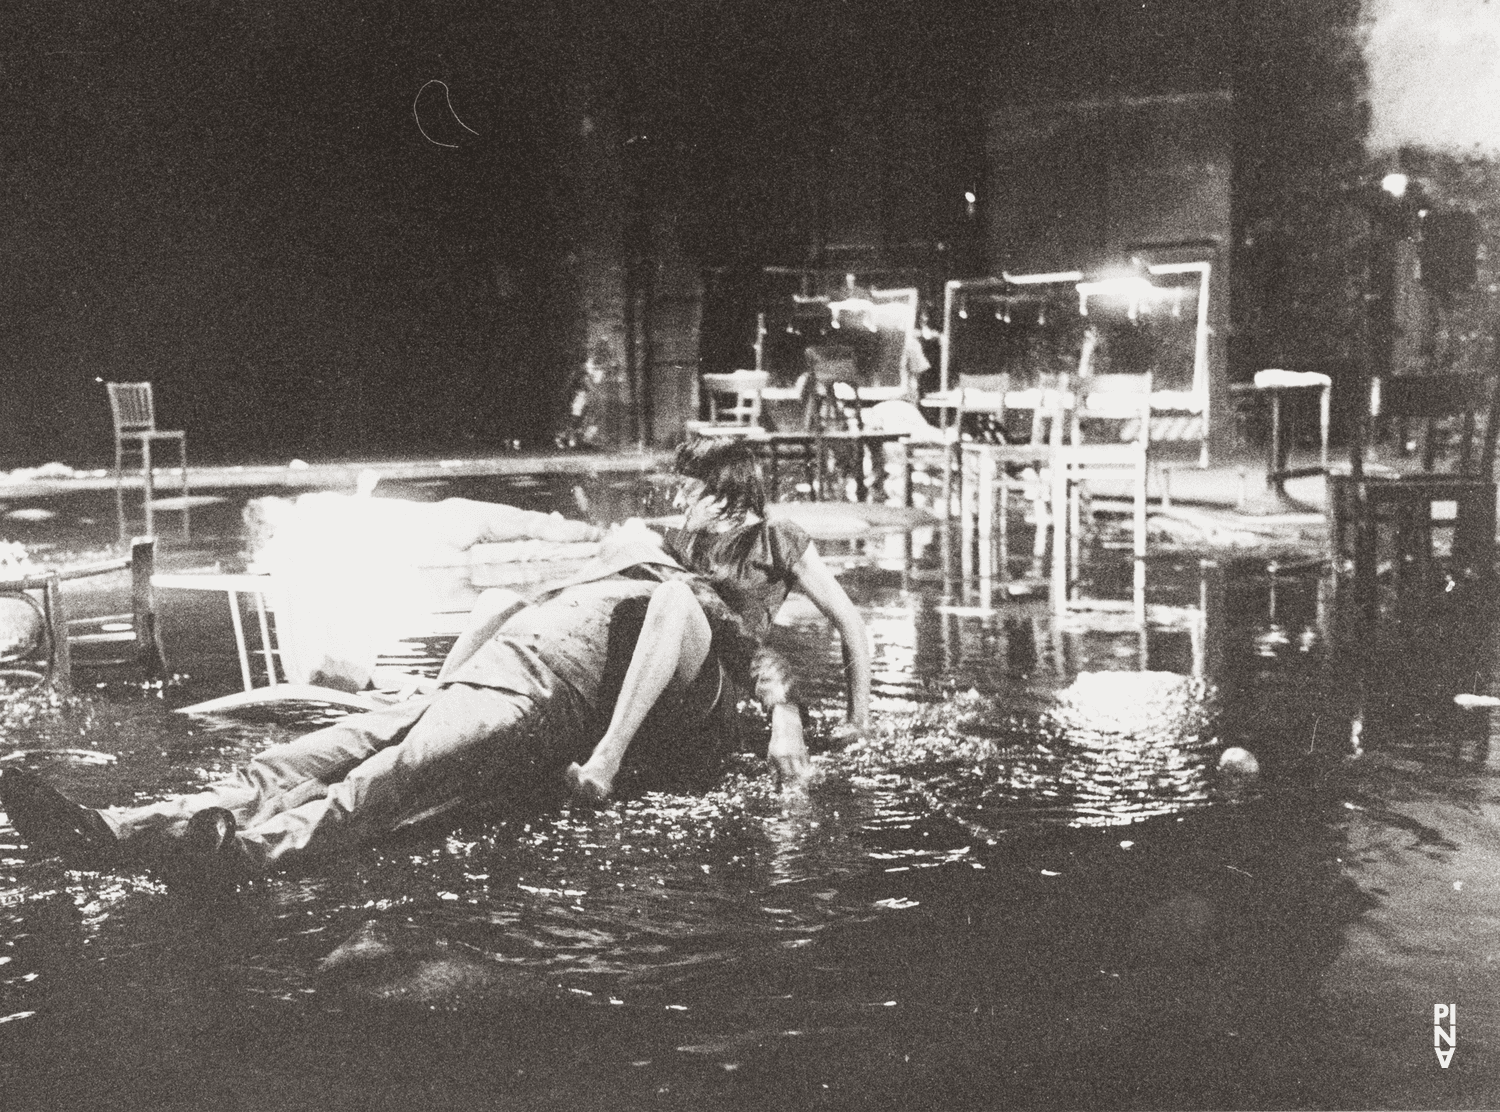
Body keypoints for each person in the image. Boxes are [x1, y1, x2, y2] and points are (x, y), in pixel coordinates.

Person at [0, 524, 773, 881]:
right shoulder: (614, 586)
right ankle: (113, 828)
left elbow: (674, 604)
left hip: (529, 705)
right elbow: (499, 596)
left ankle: (237, 858)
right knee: (295, 758)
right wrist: (437, 683)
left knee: (382, 785)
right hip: (465, 687)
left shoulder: (691, 625)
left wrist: (606, 758)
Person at [565, 437, 870, 802]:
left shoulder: (777, 539)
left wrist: (857, 721)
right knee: (663, 592)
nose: (678, 503)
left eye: (688, 491)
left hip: (728, 691)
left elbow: (850, 623)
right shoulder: (679, 541)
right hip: (675, 686)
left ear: (724, 492)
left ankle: (605, 762)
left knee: (676, 594)